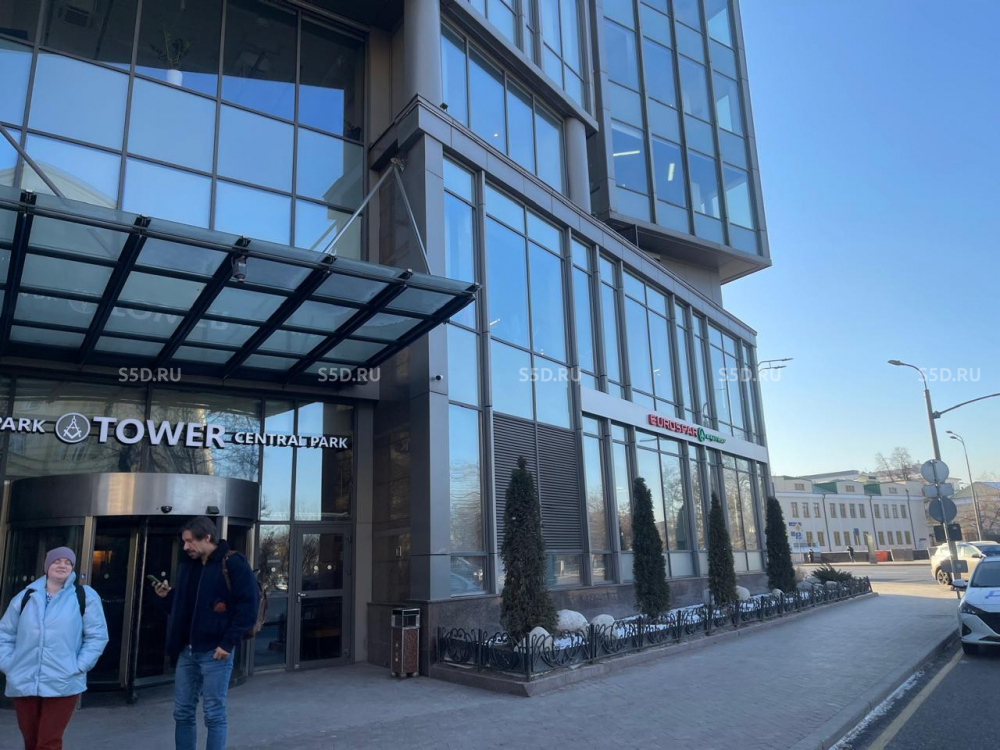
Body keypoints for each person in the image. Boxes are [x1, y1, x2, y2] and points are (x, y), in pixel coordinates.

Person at [153, 517, 258, 750]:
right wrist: (166, 597)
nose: (185, 547)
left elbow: (248, 608)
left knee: (213, 714)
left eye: (190, 541)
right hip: (187, 651)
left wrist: (227, 643)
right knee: (182, 712)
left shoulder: (233, 563)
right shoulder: (189, 566)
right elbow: (182, 607)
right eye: (184, 542)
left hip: (215, 652)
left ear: (207, 537)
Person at [0, 547, 109, 750]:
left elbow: (97, 636)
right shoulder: (25, 597)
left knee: (48, 743)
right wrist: (8, 665)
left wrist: (79, 666)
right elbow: (4, 634)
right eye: (57, 561)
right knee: (30, 742)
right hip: (24, 680)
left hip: (63, 681)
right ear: (47, 566)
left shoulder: (84, 596)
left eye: (68, 562)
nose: (62, 565)